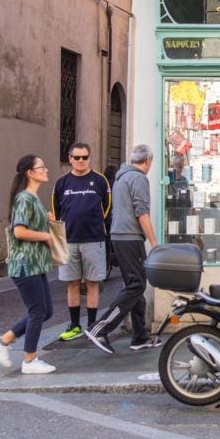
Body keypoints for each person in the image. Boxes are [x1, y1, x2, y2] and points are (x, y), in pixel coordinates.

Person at [86, 145, 160, 354]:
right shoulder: (138, 178)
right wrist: (154, 243)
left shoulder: (121, 177)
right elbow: (142, 212)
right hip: (130, 238)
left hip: (120, 237)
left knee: (135, 285)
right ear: (147, 161)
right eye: (151, 162)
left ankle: (140, 337)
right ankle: (99, 329)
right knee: (136, 285)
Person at [0, 155, 57, 374]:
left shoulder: (33, 198)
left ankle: (3, 341)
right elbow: (19, 231)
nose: (46, 170)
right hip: (25, 264)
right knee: (38, 311)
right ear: (30, 172)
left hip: (35, 264)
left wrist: (46, 218)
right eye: (41, 167)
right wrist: (45, 236)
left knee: (46, 311)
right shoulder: (24, 199)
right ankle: (29, 360)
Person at [52, 142, 112, 341]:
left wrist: (96, 226)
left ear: (89, 158)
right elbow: (56, 212)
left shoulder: (100, 180)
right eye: (76, 157)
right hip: (69, 240)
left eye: (84, 157)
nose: (80, 161)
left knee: (93, 283)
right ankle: (74, 325)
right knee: (73, 283)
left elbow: (107, 208)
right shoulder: (61, 183)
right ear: (70, 159)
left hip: (94, 239)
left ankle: (92, 326)